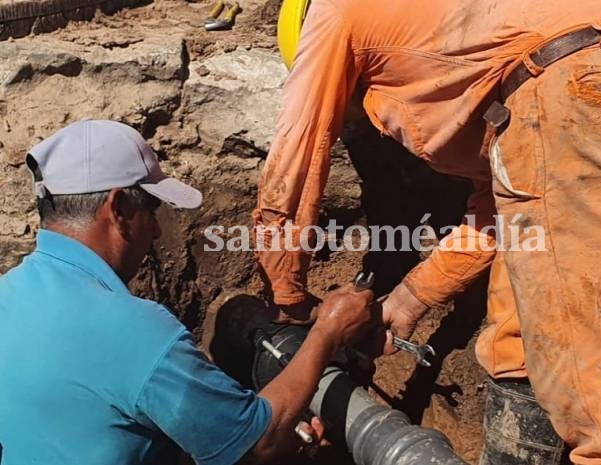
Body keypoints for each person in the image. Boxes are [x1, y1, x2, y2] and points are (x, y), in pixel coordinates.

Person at [254, 0, 601, 464]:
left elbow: (295, 164)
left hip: (583, 83)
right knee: (523, 301)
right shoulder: (473, 26)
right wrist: (409, 299)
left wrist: (289, 299)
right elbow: (505, 206)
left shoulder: (331, 13)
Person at [0, 119, 374, 465]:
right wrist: (329, 331)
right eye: (153, 212)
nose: (158, 233)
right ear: (119, 208)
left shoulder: (8, 295)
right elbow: (259, 444)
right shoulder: (136, 331)